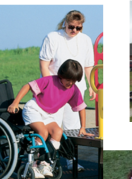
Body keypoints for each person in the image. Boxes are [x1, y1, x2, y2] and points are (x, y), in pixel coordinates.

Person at [7, 59, 88, 179]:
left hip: (47, 114)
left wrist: (83, 127)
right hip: (33, 109)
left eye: (74, 81)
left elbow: (81, 107)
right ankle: (33, 164)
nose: (71, 83)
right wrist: (15, 103)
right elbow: (28, 86)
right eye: (68, 80)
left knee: (58, 132)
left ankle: (44, 163)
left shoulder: (73, 90)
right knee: (43, 133)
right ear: (62, 75)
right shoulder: (49, 80)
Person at [39, 10, 96, 170]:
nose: (74, 31)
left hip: (76, 90)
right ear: (65, 22)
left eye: (78, 28)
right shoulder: (53, 37)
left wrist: (91, 85)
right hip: (54, 90)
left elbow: (88, 65)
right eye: (71, 27)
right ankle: (47, 162)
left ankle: (71, 160)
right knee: (53, 126)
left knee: (73, 127)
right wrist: (47, 86)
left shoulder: (85, 40)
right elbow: (44, 64)